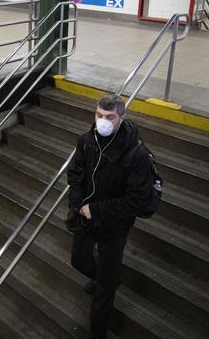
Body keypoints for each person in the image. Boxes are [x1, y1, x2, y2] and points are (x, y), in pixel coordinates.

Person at [66, 94, 153, 339]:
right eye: (99, 115)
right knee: (79, 260)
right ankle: (106, 278)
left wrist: (97, 209)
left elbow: (137, 199)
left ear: (122, 118)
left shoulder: (136, 154)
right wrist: (77, 206)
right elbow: (76, 175)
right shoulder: (86, 141)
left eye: (110, 117)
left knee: (104, 286)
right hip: (86, 217)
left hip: (115, 226)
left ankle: (98, 331)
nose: (103, 121)